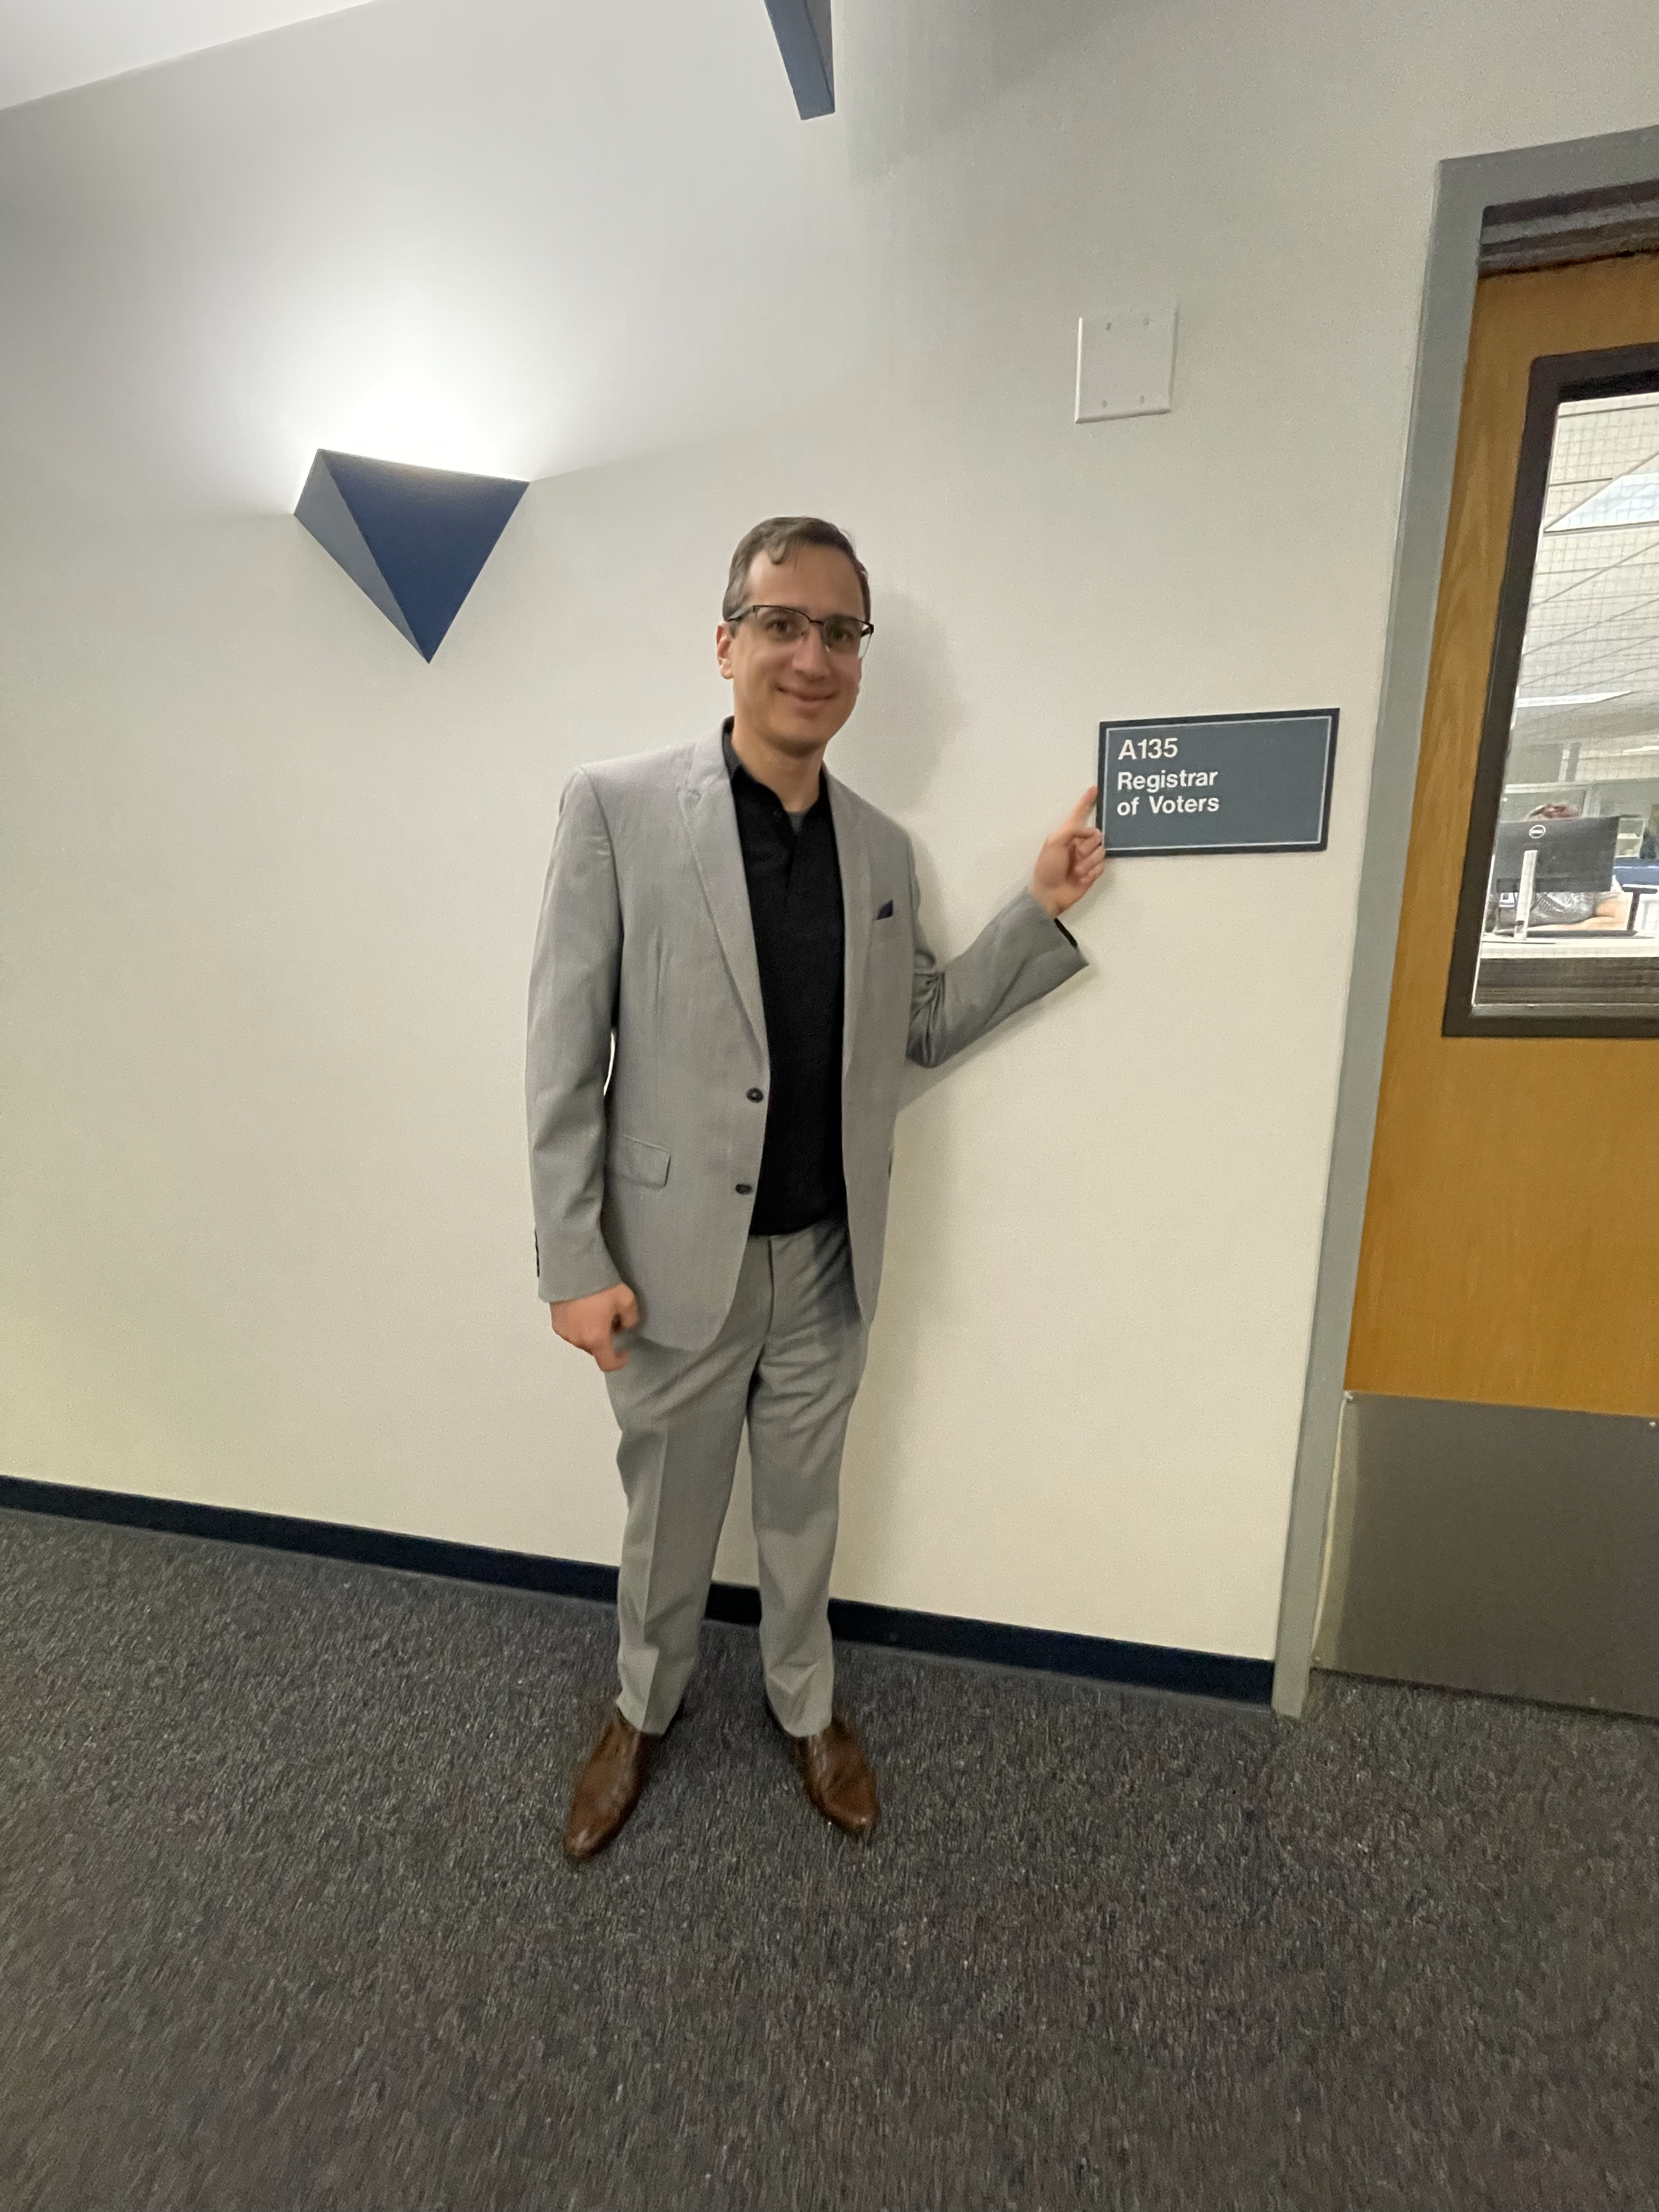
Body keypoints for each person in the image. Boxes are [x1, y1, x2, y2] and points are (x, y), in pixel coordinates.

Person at [526, 516, 1104, 1861]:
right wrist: (569, 1259)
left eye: (839, 631)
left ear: (859, 662)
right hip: (667, 1264)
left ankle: (807, 1707)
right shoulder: (614, 809)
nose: (811, 653)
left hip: (828, 1263)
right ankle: (641, 1706)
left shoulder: (885, 853)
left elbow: (919, 1030)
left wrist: (1034, 910)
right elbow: (561, 1052)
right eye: (783, 623)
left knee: (804, 1511)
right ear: (726, 644)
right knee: (666, 1519)